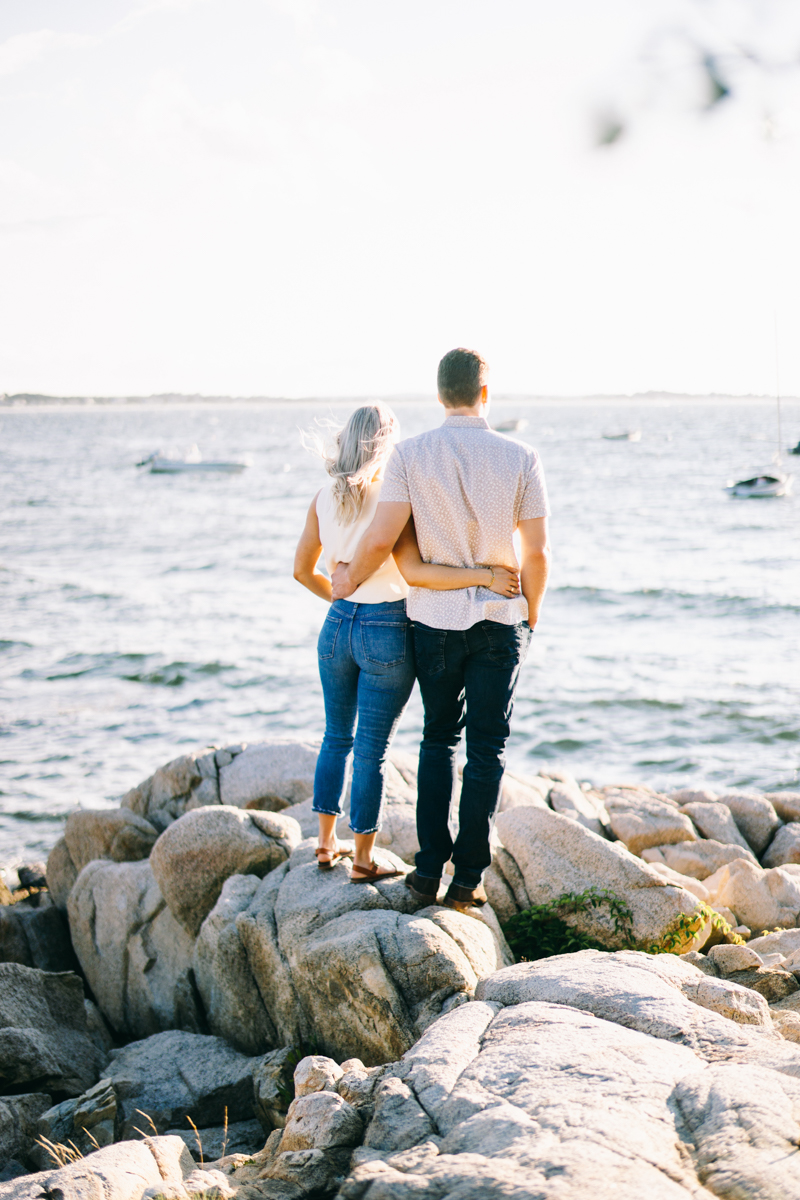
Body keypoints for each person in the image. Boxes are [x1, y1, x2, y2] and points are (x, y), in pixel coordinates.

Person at [331, 350, 550, 909]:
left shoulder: (409, 454)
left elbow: (382, 537)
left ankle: (428, 871)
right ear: (485, 393)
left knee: (437, 741)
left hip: (432, 621)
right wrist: (533, 611)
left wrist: (347, 578)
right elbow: (537, 552)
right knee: (485, 752)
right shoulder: (522, 456)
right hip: (499, 621)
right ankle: (468, 880)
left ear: (439, 395)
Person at [293, 402, 520, 883]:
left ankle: (323, 843)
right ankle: (362, 858)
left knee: (336, 736)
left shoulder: (321, 497)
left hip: (336, 626)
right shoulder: (393, 499)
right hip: (386, 628)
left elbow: (301, 570)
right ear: (385, 444)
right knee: (372, 750)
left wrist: (338, 595)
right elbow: (413, 567)